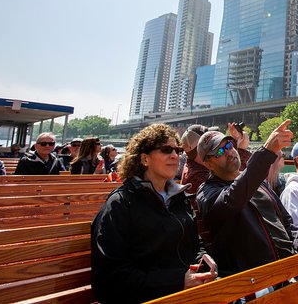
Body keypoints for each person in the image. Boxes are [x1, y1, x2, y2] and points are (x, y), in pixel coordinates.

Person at [91, 123, 217, 303]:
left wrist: (204, 260)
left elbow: (194, 245)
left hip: (188, 295)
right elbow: (109, 280)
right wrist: (178, 280)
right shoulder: (120, 205)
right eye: (166, 150)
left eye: (178, 150)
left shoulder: (179, 198)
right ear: (144, 159)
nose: (174, 155)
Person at [196, 120, 298, 277]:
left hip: (292, 266)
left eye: (229, 145)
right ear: (209, 165)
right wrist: (266, 152)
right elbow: (234, 198)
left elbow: (286, 222)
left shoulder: (258, 182)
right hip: (257, 281)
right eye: (219, 152)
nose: (228, 152)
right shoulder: (207, 193)